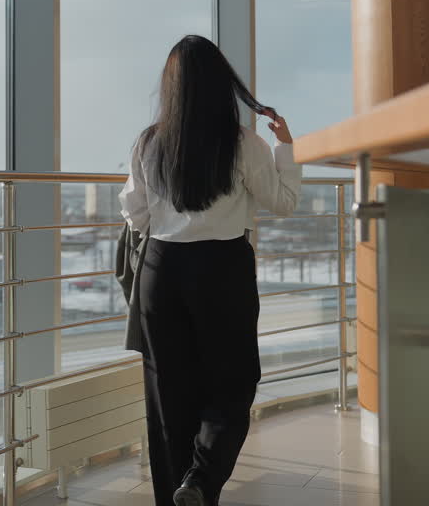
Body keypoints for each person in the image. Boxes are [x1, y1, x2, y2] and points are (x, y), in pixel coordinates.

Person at [119, 35, 302, 506]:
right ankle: (200, 481)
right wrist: (286, 149)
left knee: (168, 397)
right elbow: (283, 204)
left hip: (162, 271)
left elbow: (135, 214)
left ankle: (176, 495)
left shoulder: (148, 142)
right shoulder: (244, 143)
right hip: (222, 269)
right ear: (222, 84)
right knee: (233, 384)